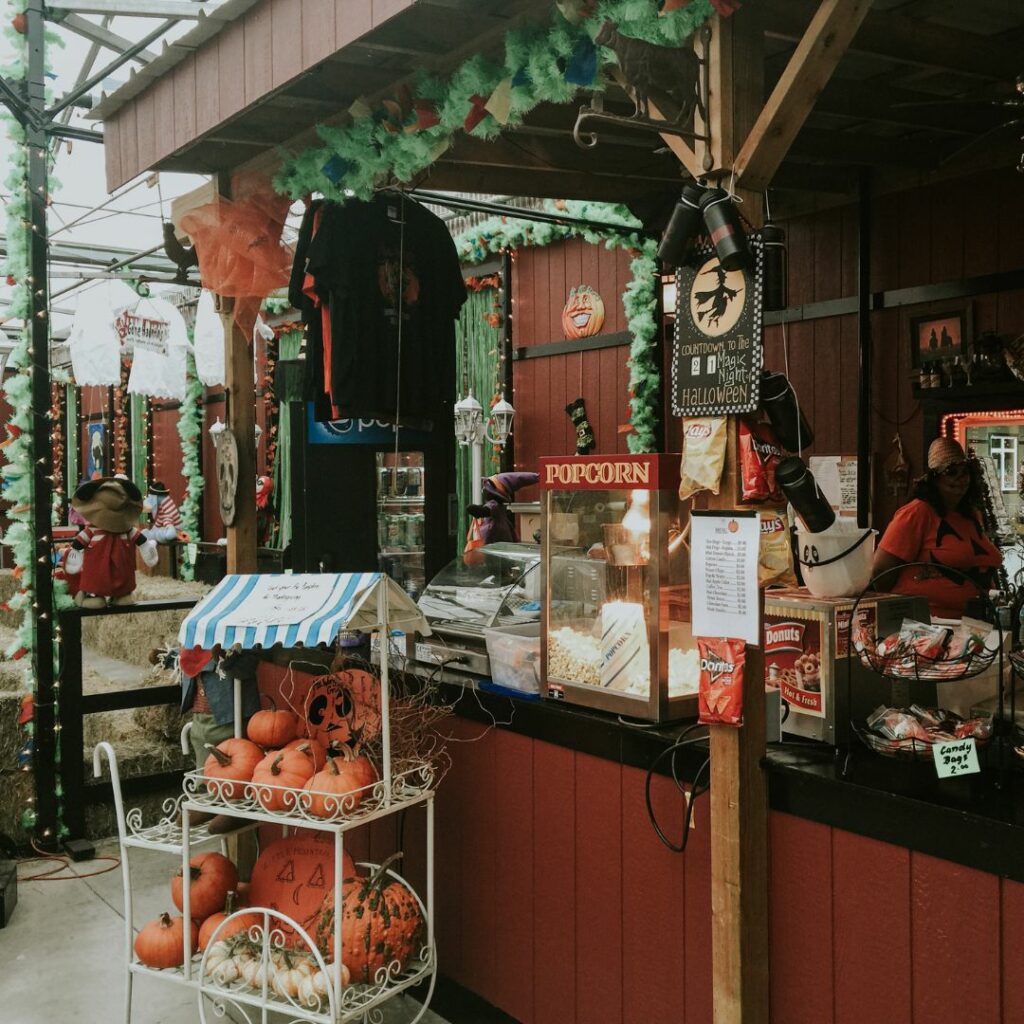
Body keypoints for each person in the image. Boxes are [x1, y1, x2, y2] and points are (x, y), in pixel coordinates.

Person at [872, 437, 1002, 619]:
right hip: (930, 625)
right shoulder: (917, 513)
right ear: (934, 479)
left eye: (965, 472)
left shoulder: (972, 515)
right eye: (951, 472)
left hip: (976, 622)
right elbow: (881, 574)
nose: (960, 478)